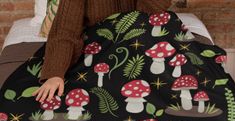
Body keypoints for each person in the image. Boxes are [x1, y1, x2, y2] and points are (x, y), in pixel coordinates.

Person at [33, 0, 171, 102]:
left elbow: (157, 12)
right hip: (102, 49)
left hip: (142, 47)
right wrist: (55, 74)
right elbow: (66, 29)